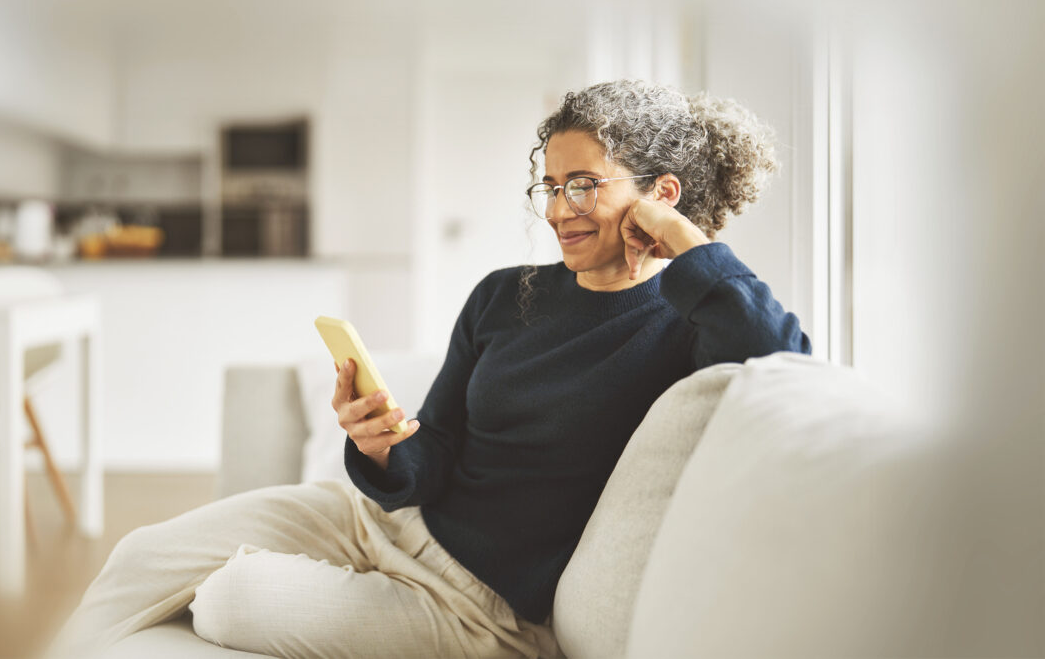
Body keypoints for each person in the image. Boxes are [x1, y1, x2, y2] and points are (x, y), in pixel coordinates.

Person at [46, 80, 810, 659]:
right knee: (143, 553)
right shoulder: (505, 296)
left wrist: (685, 241)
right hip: (384, 520)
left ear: (660, 196)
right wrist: (381, 446)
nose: (556, 208)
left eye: (584, 184)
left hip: (480, 605)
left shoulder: (687, 324)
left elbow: (784, 360)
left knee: (227, 601)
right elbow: (436, 445)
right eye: (550, 185)